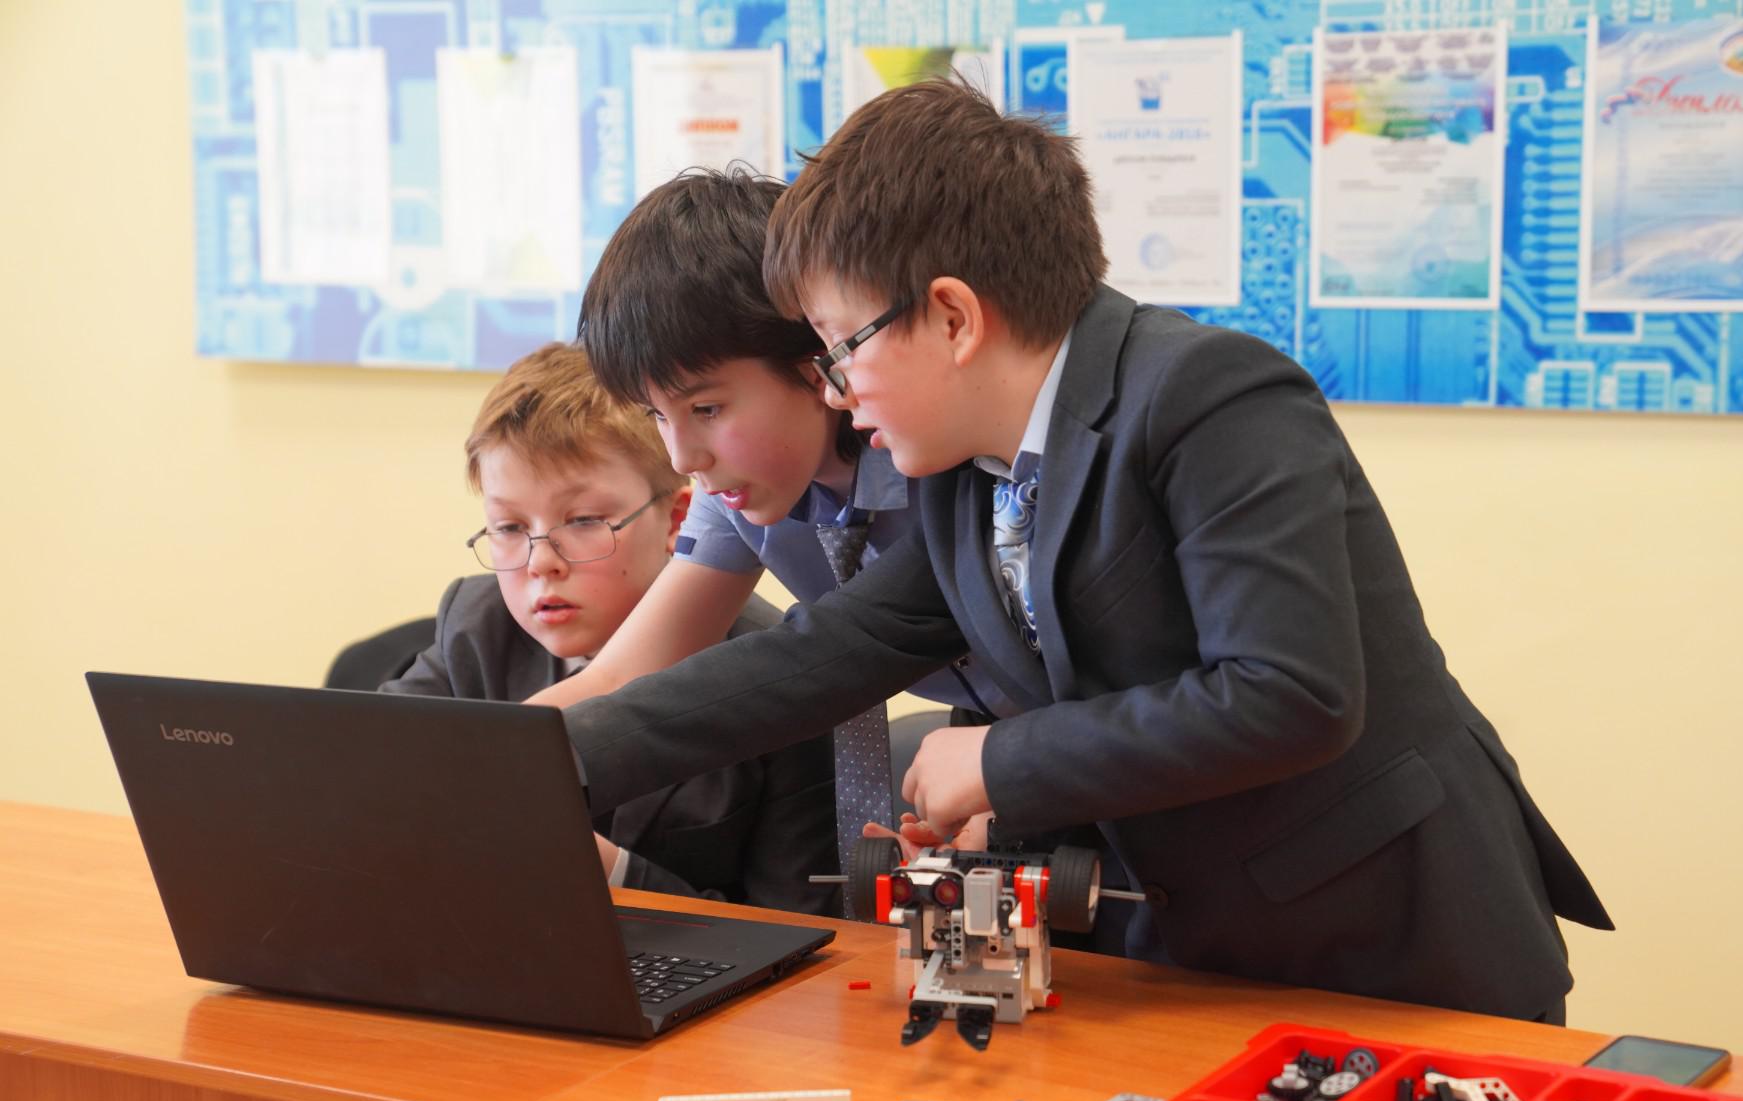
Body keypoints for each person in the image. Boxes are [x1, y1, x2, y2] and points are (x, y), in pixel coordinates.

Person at [558, 78, 1612, 1021]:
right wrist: (548, 761)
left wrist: (1000, 762)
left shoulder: (1209, 395)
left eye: (843, 345)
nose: (837, 387)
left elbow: (1290, 693)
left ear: (953, 318)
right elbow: (826, 653)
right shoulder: (963, 469)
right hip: (1198, 955)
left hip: (1389, 944)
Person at [530, 167, 1115, 896]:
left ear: (818, 363)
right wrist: (474, 763)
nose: (682, 458)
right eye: (656, 416)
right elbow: (623, 678)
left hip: (1097, 748)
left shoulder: (943, 455)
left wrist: (1012, 777)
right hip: (993, 765)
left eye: (706, 409)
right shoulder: (733, 491)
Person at [381, 341, 838, 917]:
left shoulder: (780, 676)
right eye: (508, 527)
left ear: (678, 520)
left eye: (583, 520)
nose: (541, 562)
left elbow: (804, 930)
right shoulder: (475, 627)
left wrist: (605, 870)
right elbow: (370, 779)